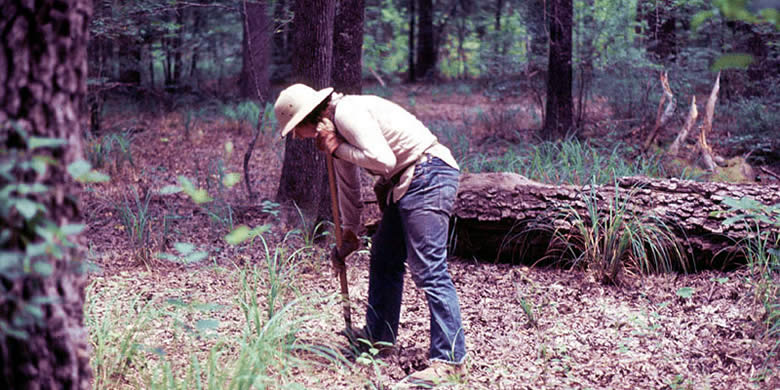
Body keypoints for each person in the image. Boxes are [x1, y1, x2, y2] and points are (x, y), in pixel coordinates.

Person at [274, 83, 467, 385]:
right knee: (384, 259)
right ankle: (379, 338)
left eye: (297, 130)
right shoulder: (334, 132)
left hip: (428, 174)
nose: (299, 138)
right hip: (407, 183)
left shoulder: (348, 112)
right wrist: (349, 234)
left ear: (306, 119)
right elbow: (348, 186)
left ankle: (450, 360)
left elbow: (383, 160)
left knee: (430, 269)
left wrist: (338, 148)